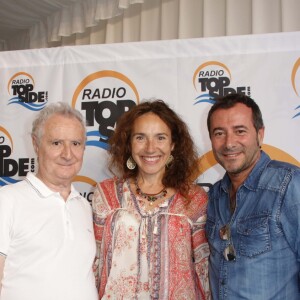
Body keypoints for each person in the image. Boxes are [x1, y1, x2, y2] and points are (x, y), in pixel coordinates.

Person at [92, 99, 210, 299]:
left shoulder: (195, 199)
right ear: (129, 143)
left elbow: (203, 269)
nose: (150, 148)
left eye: (160, 138)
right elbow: (94, 263)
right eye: (140, 137)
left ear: (173, 144)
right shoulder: (106, 194)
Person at [205, 93, 300, 300]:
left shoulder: (290, 184)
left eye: (240, 131)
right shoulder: (214, 196)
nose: (229, 143)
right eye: (219, 133)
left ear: (260, 134)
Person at [0, 102, 98, 300]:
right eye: (56, 143)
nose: (67, 154)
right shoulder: (7, 200)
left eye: (76, 144)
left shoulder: (84, 206)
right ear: (36, 144)